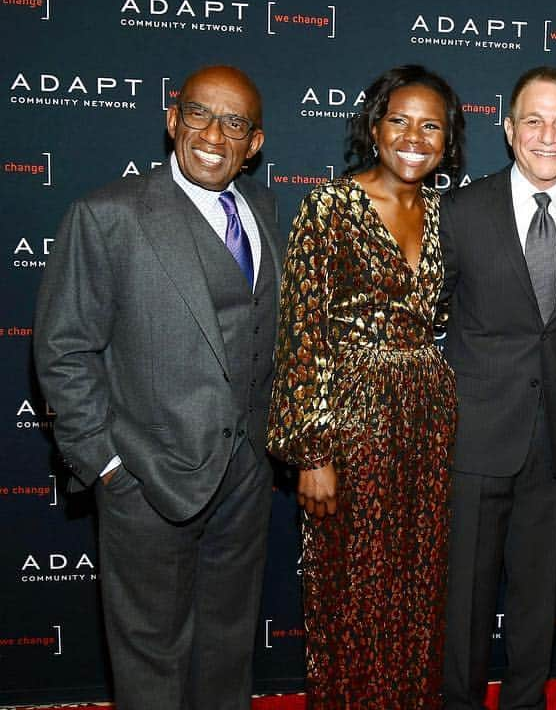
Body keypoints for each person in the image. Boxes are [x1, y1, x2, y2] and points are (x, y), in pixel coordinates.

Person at [34, 66, 279, 709]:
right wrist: (108, 466)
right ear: (172, 120)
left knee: (227, 648)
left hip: (245, 474)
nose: (213, 135)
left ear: (254, 144)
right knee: (150, 659)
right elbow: (63, 350)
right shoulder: (108, 215)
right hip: (146, 476)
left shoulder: (264, 207)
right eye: (199, 115)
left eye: (235, 123)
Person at [266, 65, 464, 708]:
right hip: (349, 423)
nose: (414, 135)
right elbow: (301, 332)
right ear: (373, 127)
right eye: (399, 119)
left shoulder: (441, 211)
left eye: (431, 124)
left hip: (426, 423)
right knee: (350, 587)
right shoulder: (329, 207)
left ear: (449, 138)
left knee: (417, 585)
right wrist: (312, 452)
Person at [440, 66, 556, 710]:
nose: (548, 134)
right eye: (533, 120)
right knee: (465, 601)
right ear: (508, 130)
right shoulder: (459, 209)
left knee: (539, 597)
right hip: (473, 437)